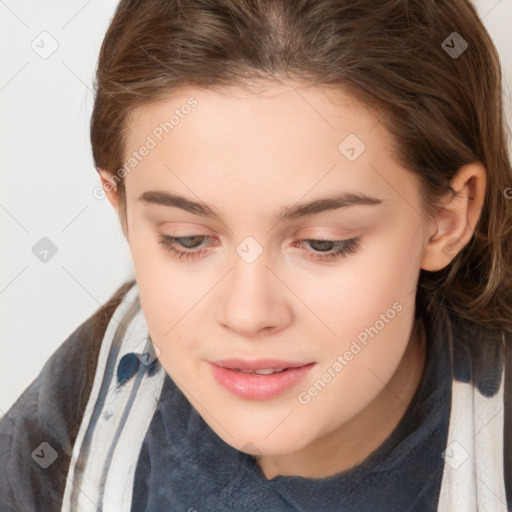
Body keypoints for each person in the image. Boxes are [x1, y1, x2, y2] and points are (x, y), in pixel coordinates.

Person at [1, 0, 511, 510]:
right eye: (187, 239)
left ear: (447, 217)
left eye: (323, 244)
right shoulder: (76, 427)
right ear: (123, 208)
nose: (248, 314)